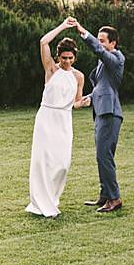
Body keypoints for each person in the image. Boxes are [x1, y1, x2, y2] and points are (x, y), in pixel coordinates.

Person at [26, 22, 89, 218]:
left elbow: (75, 102)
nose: (67, 62)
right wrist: (63, 26)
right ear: (58, 57)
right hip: (47, 118)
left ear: (75, 57)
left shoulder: (78, 76)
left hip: (64, 120)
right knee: (43, 161)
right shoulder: (51, 70)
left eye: (70, 58)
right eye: (64, 58)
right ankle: (41, 203)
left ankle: (52, 199)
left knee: (62, 163)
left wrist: (82, 103)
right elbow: (43, 42)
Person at [65, 15, 125, 213]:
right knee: (102, 156)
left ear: (113, 43)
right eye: (98, 40)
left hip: (110, 113)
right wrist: (89, 97)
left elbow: (98, 51)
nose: (99, 44)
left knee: (104, 157)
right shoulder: (104, 63)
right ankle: (105, 196)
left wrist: (82, 31)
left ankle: (114, 199)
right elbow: (103, 87)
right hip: (101, 112)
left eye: (102, 41)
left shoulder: (116, 59)